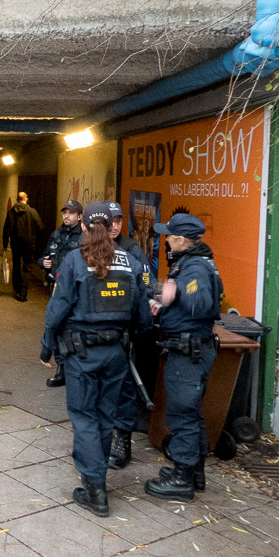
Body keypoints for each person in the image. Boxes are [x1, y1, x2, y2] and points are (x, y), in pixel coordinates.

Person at [40, 202, 151, 517]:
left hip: (82, 354)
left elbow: (59, 307)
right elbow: (142, 314)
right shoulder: (130, 262)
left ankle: (95, 488)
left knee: (84, 417)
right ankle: (97, 478)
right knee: (104, 417)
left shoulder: (76, 260)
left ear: (84, 226)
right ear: (110, 225)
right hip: (116, 354)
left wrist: (47, 345)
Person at [144, 214, 223, 501]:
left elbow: (199, 302)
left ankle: (182, 479)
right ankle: (194, 472)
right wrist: (163, 301)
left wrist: (172, 294)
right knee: (191, 412)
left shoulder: (195, 267)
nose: (165, 239)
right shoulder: (196, 262)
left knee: (181, 414)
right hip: (193, 348)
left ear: (180, 239)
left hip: (188, 352)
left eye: (169, 235)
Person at [105, 200, 154, 469]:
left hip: (122, 335)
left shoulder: (132, 250)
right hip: (95, 334)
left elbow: (145, 286)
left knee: (124, 389)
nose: (115, 226)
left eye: (119, 221)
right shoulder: (87, 249)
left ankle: (122, 441)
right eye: (110, 221)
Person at [38, 199, 84, 388]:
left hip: (76, 290)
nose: (66, 216)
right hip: (57, 288)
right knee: (57, 328)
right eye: (65, 212)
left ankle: (75, 369)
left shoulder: (84, 237)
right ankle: (62, 369)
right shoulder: (56, 234)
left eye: (71, 213)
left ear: (80, 217)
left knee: (73, 329)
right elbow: (45, 255)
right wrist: (43, 262)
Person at [2, 192, 43, 301]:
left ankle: (16, 289)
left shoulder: (11, 213)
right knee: (27, 267)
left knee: (16, 265)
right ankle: (23, 292)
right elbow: (40, 227)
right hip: (29, 244)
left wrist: (5, 245)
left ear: (17, 200)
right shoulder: (32, 212)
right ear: (26, 199)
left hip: (15, 244)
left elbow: (6, 230)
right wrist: (36, 240)